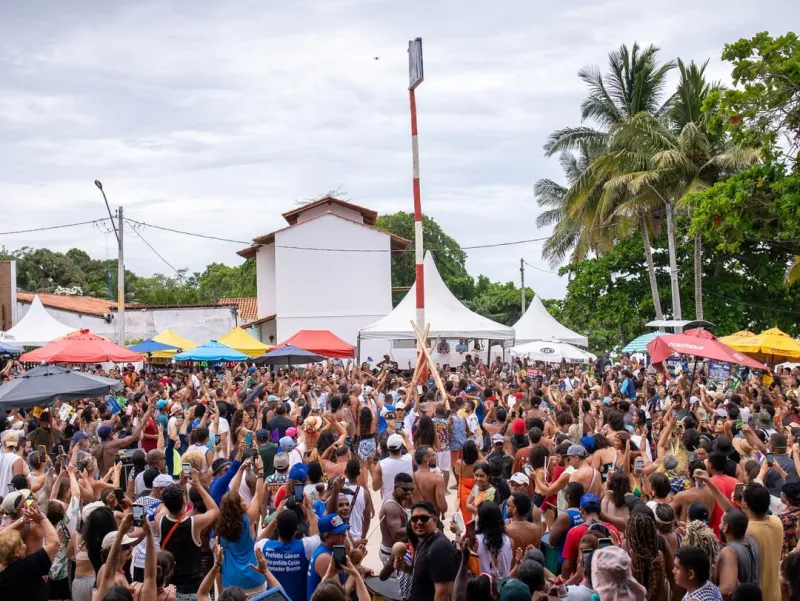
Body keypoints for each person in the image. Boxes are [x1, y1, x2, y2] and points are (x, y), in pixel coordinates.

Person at [156, 473, 220, 601]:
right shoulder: (193, 524)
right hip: (193, 588)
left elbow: (165, 506)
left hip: (171, 588)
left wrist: (179, 485)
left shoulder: (159, 521)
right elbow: (214, 510)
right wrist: (198, 486)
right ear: (185, 501)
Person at [258, 506, 321, 601]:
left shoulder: (264, 546)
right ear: (297, 529)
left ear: (276, 527)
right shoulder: (305, 546)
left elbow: (259, 540)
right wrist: (308, 507)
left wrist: (274, 520)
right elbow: (317, 534)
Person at [0, 502, 60, 601]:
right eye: (21, 543)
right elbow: (54, 543)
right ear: (17, 553)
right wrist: (43, 519)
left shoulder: (2, 568)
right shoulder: (29, 565)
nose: (24, 545)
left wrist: (22, 519)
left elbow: (1, 536)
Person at [408, 500, 459, 601]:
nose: (418, 522)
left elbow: (443, 594)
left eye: (424, 518)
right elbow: (425, 575)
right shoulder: (424, 540)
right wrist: (404, 568)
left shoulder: (440, 549)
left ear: (435, 520)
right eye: (414, 519)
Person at [741, 482, 782, 601]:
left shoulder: (747, 532)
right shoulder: (776, 522)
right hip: (775, 595)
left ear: (746, 504)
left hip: (757, 596)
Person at [717, 508, 761, 597]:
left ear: (726, 528)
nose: (719, 525)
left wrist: (705, 591)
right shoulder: (753, 541)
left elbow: (727, 589)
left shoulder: (729, 552)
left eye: (721, 522)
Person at [307, 513, 350, 601]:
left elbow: (342, 575)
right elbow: (340, 596)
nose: (345, 536)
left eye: (344, 532)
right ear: (327, 536)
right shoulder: (325, 558)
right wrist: (356, 575)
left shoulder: (333, 550)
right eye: (341, 534)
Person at [378, 473, 414, 565]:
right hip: (391, 553)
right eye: (405, 489)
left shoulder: (400, 499)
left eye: (411, 489)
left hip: (396, 550)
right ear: (395, 488)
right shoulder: (392, 507)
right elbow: (397, 533)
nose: (409, 492)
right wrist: (416, 526)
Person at [475, 501, 513, 577]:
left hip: (482, 587)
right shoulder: (509, 541)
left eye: (478, 515)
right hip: (503, 586)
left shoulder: (475, 542)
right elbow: (510, 568)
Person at [373, 434, 413, 502]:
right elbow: (411, 449)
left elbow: (375, 487)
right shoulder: (410, 458)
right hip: (407, 501)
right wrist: (405, 436)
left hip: (389, 502)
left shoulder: (380, 465)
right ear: (401, 447)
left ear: (388, 447)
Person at [412, 445, 447, 517]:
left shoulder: (410, 478)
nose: (435, 457)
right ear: (426, 458)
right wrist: (444, 509)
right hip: (432, 519)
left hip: (416, 520)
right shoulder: (437, 479)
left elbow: (406, 503)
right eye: (433, 455)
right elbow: (442, 505)